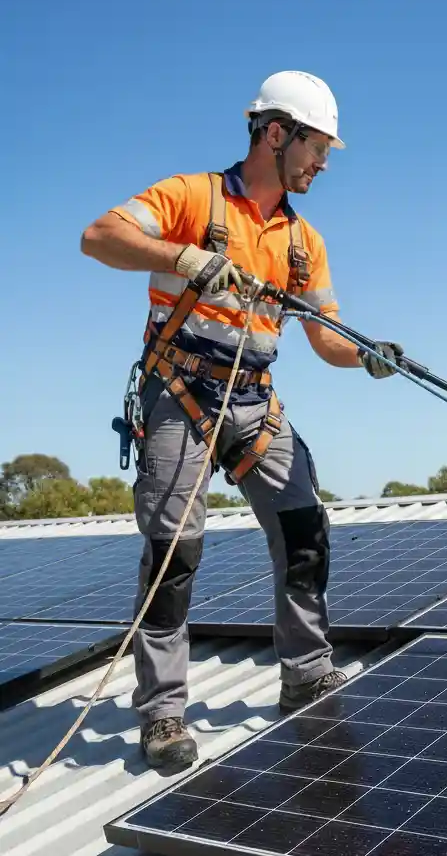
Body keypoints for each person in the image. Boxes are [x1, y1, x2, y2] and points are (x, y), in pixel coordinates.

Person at [80, 70, 405, 769]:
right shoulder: (190, 198)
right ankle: (163, 714)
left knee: (305, 529)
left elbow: (325, 337)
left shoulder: (302, 241)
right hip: (180, 394)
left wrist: (368, 356)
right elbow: (99, 236)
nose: (323, 164)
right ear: (276, 133)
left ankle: (305, 674)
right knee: (174, 553)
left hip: (255, 403)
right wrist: (184, 255)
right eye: (318, 148)